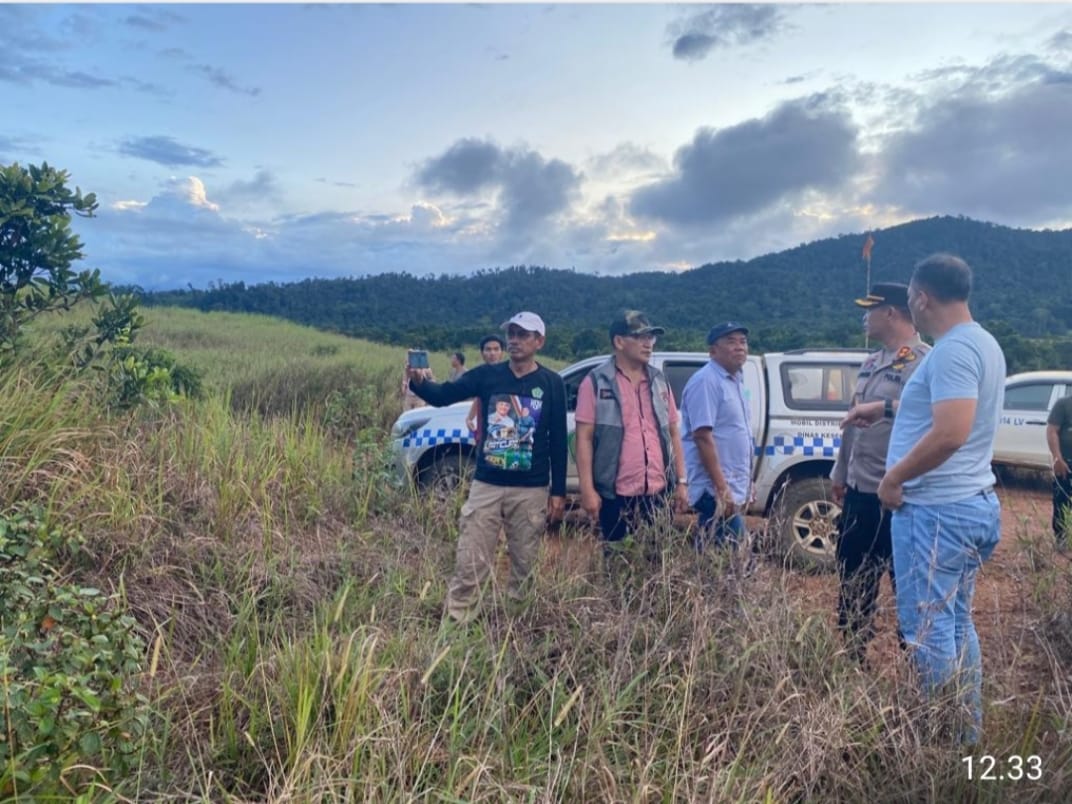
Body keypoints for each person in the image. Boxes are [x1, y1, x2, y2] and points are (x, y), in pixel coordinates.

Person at [869, 253, 1005, 743]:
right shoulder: (982, 342)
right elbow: (941, 409)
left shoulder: (952, 351)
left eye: (910, 297)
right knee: (955, 623)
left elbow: (951, 432)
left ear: (922, 298)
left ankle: (943, 744)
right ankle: (965, 735)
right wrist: (883, 408)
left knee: (927, 631)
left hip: (937, 512)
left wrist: (894, 478)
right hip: (966, 505)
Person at [408, 311, 567, 623]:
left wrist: (558, 491)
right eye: (512, 334)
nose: (515, 340)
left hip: (531, 489)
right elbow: (443, 396)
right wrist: (419, 383)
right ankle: (458, 622)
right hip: (487, 485)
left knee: (524, 562)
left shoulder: (551, 383)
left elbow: (558, 439)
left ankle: (517, 624)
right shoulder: (487, 376)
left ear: (539, 341)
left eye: (523, 335)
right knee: (471, 557)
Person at [831, 282, 930, 664]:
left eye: (869, 310)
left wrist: (884, 407)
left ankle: (917, 669)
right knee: (854, 579)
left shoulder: (924, 361)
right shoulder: (871, 362)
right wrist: (841, 472)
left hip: (900, 495)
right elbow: (853, 423)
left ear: (890, 312)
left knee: (909, 588)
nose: (863, 318)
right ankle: (852, 660)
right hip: (860, 491)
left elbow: (930, 413)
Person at [574, 310, 689, 556]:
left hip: (657, 494)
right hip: (614, 494)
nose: (649, 344)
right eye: (640, 337)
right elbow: (583, 438)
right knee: (618, 562)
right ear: (619, 341)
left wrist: (681, 482)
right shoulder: (596, 382)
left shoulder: (659, 380)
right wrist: (587, 489)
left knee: (657, 561)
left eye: (651, 338)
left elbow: (673, 432)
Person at [680, 322, 754, 551]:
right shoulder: (706, 381)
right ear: (713, 351)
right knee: (737, 554)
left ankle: (699, 573)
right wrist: (722, 488)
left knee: (714, 551)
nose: (739, 347)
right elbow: (702, 436)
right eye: (731, 342)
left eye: (743, 342)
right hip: (714, 489)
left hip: (730, 485)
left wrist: (747, 483)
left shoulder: (736, 381)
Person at [1047, 392, 1072, 548]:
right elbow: (1052, 431)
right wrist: (1058, 458)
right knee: (1061, 502)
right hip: (1066, 464)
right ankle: (1061, 538)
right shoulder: (1064, 404)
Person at [466, 335, 506, 434]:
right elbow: (479, 397)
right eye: (488, 349)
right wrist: (470, 417)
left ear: (502, 352)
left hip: (504, 424)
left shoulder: (509, 373)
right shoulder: (479, 374)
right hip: (484, 423)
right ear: (482, 353)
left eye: (496, 349)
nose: (492, 353)